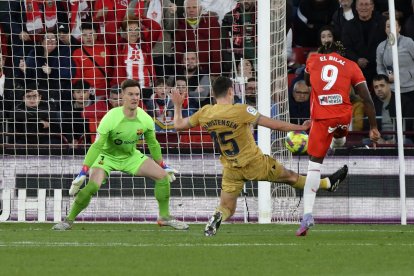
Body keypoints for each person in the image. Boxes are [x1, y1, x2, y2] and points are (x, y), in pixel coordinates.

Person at [171, 76, 349, 237]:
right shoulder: (241, 110)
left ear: (213, 93)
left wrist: (178, 105)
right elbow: (274, 125)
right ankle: (327, 184)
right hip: (255, 163)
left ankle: (217, 216)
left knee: (227, 208)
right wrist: (301, 128)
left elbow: (178, 125)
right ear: (231, 91)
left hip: (231, 168)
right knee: (291, 177)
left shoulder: (205, 112)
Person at [52, 79, 188, 231]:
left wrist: (163, 164)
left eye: (137, 94)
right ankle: (68, 220)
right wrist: (83, 171)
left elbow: (153, 144)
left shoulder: (145, 118)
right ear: (123, 96)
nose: (134, 97)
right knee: (91, 188)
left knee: (162, 176)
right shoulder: (111, 117)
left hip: (130, 156)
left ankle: (164, 217)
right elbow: (97, 146)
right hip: (106, 156)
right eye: (130, 94)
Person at [297, 41, 380, 236]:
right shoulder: (351, 65)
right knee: (340, 138)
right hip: (342, 116)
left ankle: (307, 215)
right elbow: (366, 99)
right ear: (340, 52)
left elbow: (307, 82)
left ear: (323, 51)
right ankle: (337, 142)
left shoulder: (314, 60)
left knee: (314, 166)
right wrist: (374, 127)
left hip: (322, 118)